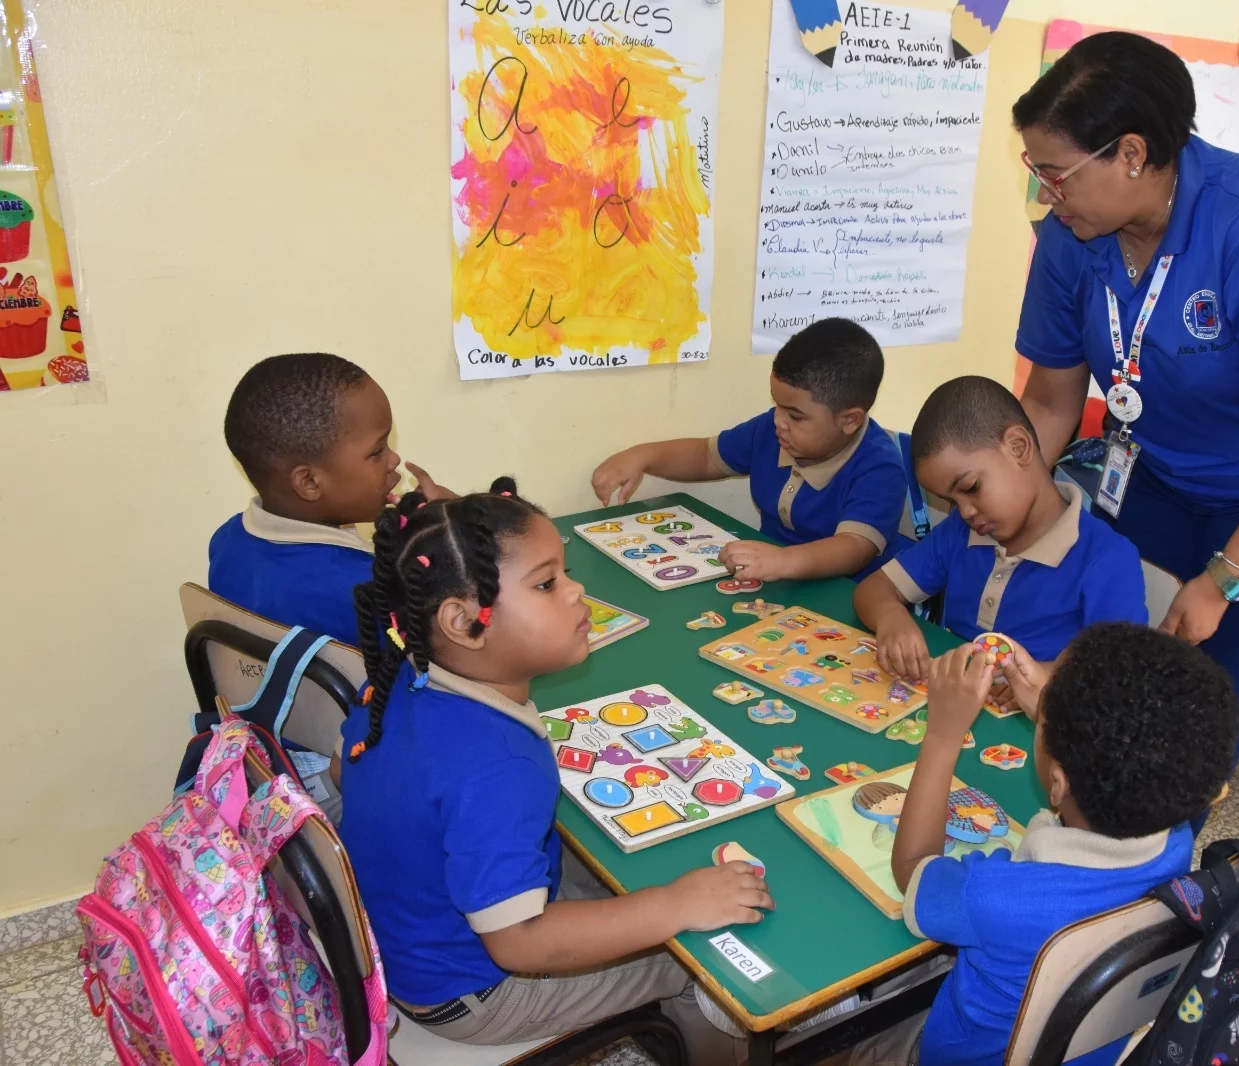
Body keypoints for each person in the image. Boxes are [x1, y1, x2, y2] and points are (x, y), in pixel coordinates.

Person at [1012, 32, 1239, 755]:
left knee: (1203, 717)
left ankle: (1155, 864)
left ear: (1132, 154)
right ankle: (1066, 847)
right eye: (1036, 172)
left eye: (1057, 175)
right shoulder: (1070, 236)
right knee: (1096, 661)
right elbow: (1052, 400)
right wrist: (1007, 500)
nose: (1046, 196)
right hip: (1154, 469)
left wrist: (1224, 578)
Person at [336, 480, 770, 1058]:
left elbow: (348, 773)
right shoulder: (497, 764)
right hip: (476, 991)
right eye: (547, 583)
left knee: (629, 875)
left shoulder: (395, 681)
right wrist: (676, 906)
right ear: (462, 622)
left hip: (408, 936)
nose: (576, 590)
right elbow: (518, 944)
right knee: (705, 961)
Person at [840, 623, 1238, 1065]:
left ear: (1058, 782)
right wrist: (1053, 718)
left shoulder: (993, 898)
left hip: (952, 1057)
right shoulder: (1177, 842)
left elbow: (913, 865)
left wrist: (943, 734)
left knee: (843, 1036)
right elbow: (1122, 757)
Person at [853, 376, 1146, 709]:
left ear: (1018, 447)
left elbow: (1123, 672)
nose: (965, 511)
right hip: (954, 711)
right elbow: (873, 589)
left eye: (971, 487)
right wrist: (892, 617)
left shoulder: (1106, 559)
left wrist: (1046, 679)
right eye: (949, 500)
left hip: (1044, 733)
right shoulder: (962, 533)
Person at [591, 318, 908, 582]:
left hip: (846, 601)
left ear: (849, 420)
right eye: (777, 405)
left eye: (795, 415)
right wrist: (644, 456)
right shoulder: (772, 430)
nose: (779, 422)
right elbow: (706, 456)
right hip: (773, 586)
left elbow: (853, 548)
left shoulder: (879, 466)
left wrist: (783, 561)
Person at [209, 353, 451, 647]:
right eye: (377, 452)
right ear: (309, 483)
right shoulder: (368, 590)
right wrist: (458, 528)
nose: (394, 459)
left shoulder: (226, 542)